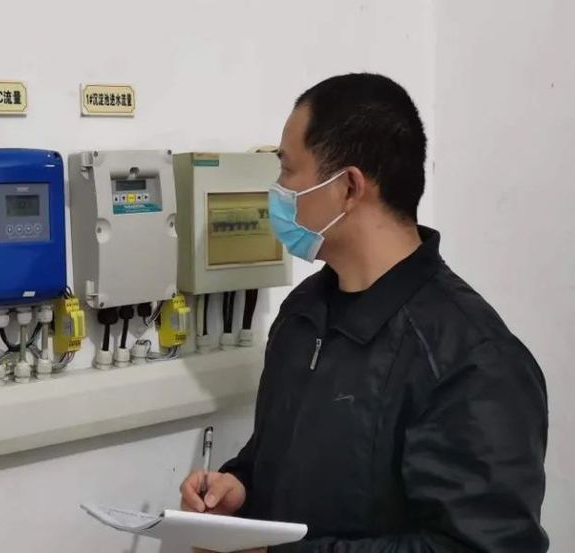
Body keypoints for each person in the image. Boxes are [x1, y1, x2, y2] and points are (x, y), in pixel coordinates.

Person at [179, 73, 549, 552]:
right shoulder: (303, 313)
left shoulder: (472, 359)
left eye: (288, 170)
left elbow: (479, 547)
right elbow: (285, 455)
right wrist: (239, 487)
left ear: (349, 187)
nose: (277, 190)